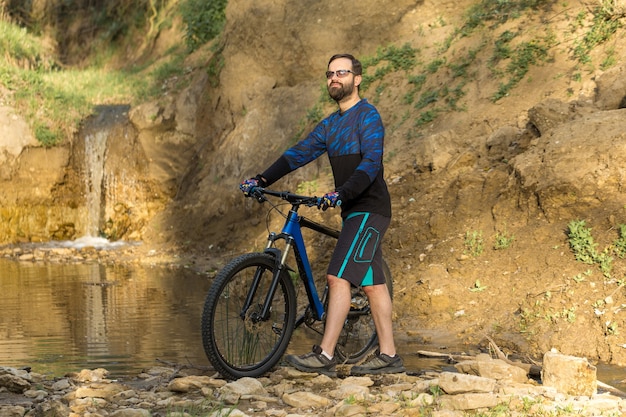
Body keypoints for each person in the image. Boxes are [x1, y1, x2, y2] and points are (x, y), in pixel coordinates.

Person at [239, 53, 404, 377]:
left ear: (357, 79)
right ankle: (389, 357)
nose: (334, 78)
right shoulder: (330, 125)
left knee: (338, 276)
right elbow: (296, 155)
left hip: (369, 209)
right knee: (372, 285)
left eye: (342, 72)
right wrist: (261, 179)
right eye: (330, 73)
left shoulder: (367, 116)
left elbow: (370, 165)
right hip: (352, 212)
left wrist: (341, 193)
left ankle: (325, 355)